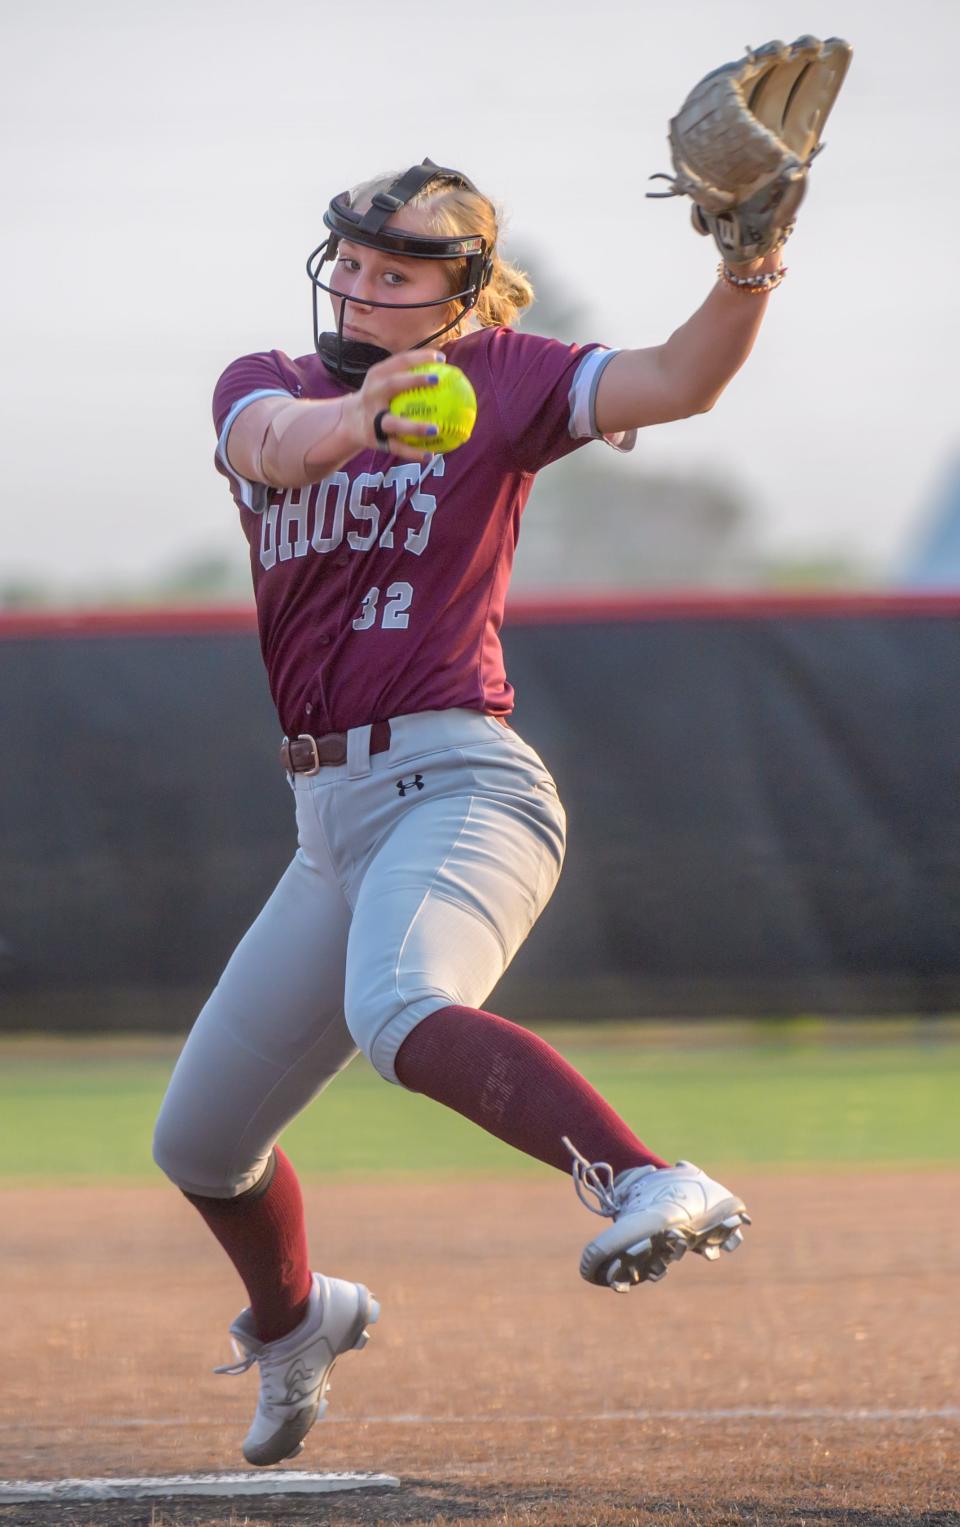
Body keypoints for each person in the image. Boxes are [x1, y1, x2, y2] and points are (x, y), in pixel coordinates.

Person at [153, 156, 779, 1468]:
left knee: (401, 1009)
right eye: (360, 266)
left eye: (401, 276)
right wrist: (367, 417)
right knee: (202, 1143)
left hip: (458, 781)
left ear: (468, 297)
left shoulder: (506, 376)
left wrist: (748, 267)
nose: (367, 291)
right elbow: (271, 443)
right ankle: (297, 1321)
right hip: (326, 816)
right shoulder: (272, 380)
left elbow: (680, 380)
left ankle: (647, 1178)